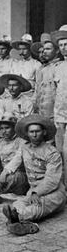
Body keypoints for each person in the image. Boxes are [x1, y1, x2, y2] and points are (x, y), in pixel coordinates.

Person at [1, 115, 65, 236]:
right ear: (27, 133)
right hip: (33, 190)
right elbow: (15, 161)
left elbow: (52, 179)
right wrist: (5, 173)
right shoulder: (25, 147)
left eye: (37, 131)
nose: (34, 135)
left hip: (54, 191)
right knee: (18, 203)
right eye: (31, 132)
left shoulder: (52, 152)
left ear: (44, 132)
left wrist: (37, 192)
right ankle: (19, 220)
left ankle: (19, 218)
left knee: (39, 205)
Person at [51, 25, 67, 185]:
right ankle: (62, 186)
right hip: (60, 115)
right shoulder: (58, 67)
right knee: (60, 151)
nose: (63, 48)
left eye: (66, 44)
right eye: (61, 45)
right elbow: (56, 92)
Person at [35, 33, 62, 120]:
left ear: (57, 51)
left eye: (48, 49)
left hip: (55, 115)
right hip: (42, 113)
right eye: (43, 50)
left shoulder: (60, 67)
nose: (44, 52)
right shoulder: (42, 69)